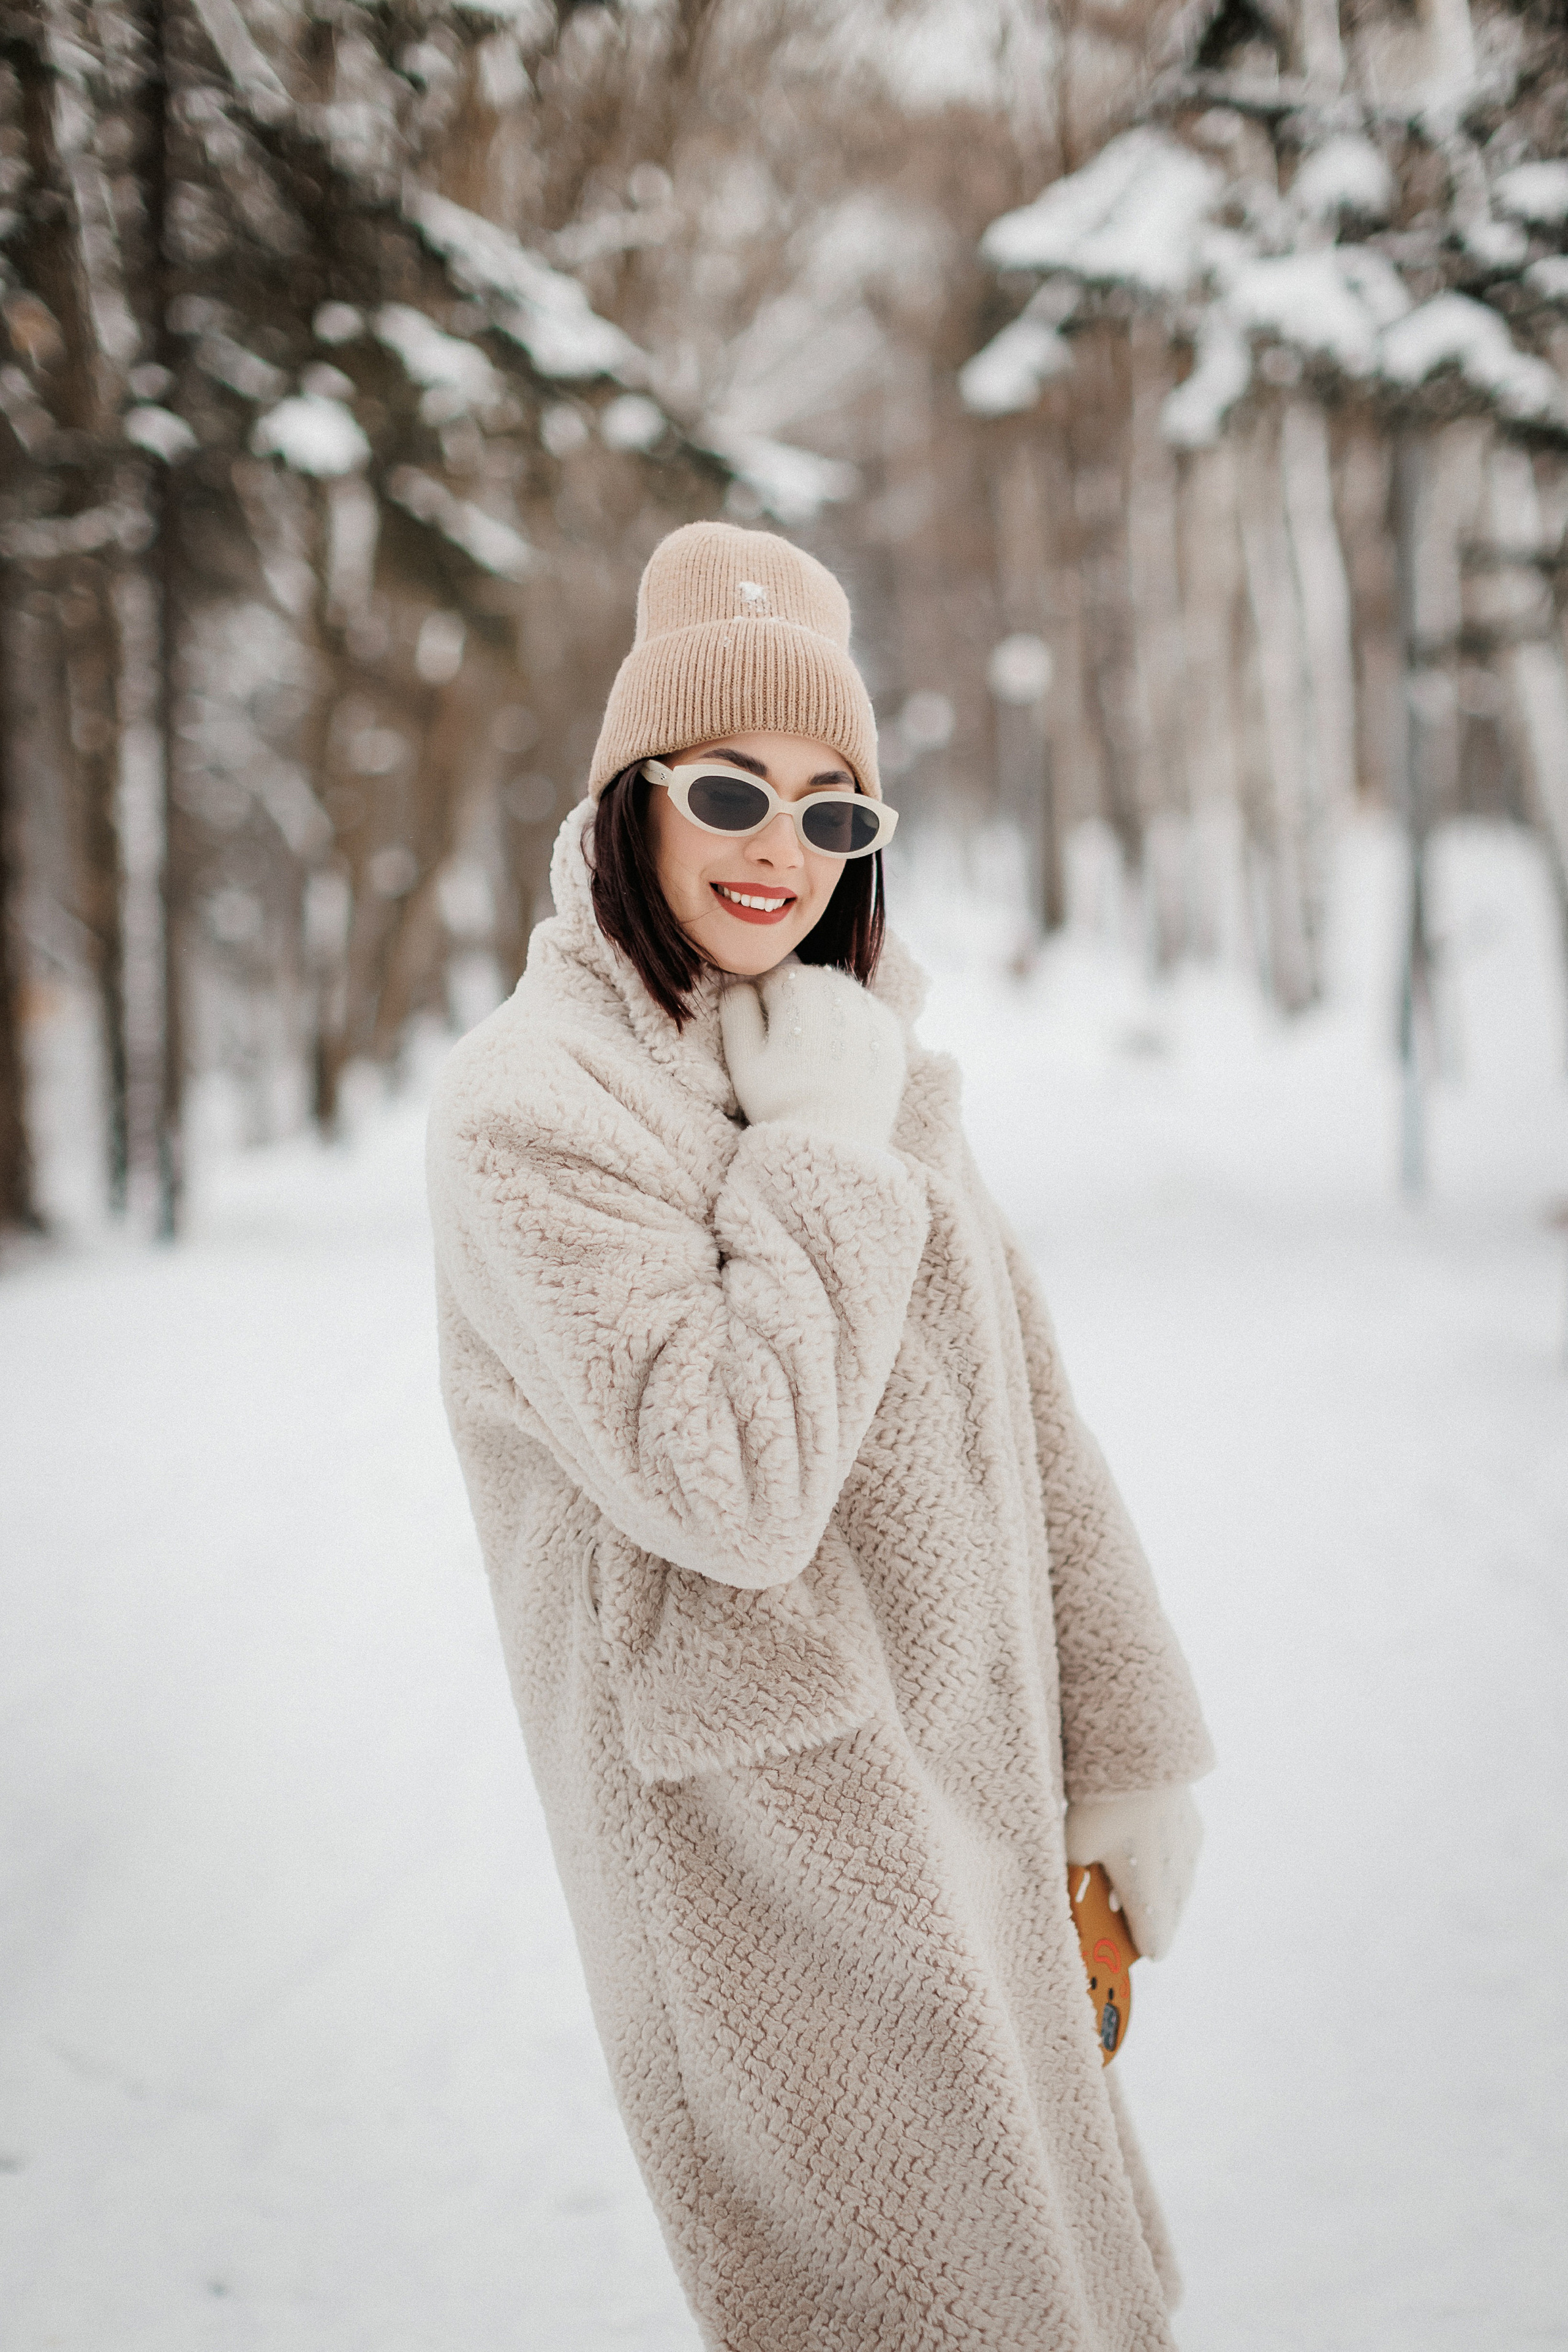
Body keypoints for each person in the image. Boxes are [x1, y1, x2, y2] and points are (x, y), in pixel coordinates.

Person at [426, 521, 1215, 2351]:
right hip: (763, 1870)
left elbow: (1029, 1418)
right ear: (633, 800)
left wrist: (1131, 1743)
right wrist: (816, 1162)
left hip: (978, 1810)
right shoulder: (534, 1113)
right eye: (729, 790)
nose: (782, 847)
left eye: (834, 810)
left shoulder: (855, 1053)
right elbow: (731, 1484)